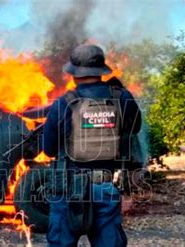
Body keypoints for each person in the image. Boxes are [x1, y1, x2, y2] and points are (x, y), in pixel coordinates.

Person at [43, 44, 142, 247]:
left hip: (68, 189)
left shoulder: (63, 103)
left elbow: (49, 149)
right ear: (101, 71)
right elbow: (134, 128)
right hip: (105, 187)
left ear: (74, 73)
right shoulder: (122, 98)